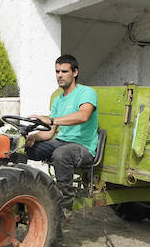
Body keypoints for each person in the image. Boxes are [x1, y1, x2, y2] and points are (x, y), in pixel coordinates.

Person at [26, 54, 99, 216]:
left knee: (61, 154)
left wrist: (51, 120)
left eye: (64, 71)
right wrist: (34, 137)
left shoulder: (86, 93)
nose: (59, 75)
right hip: (60, 141)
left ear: (75, 72)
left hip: (83, 147)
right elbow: (50, 133)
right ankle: (26, 190)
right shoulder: (58, 100)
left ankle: (66, 203)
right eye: (57, 71)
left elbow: (83, 116)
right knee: (26, 148)